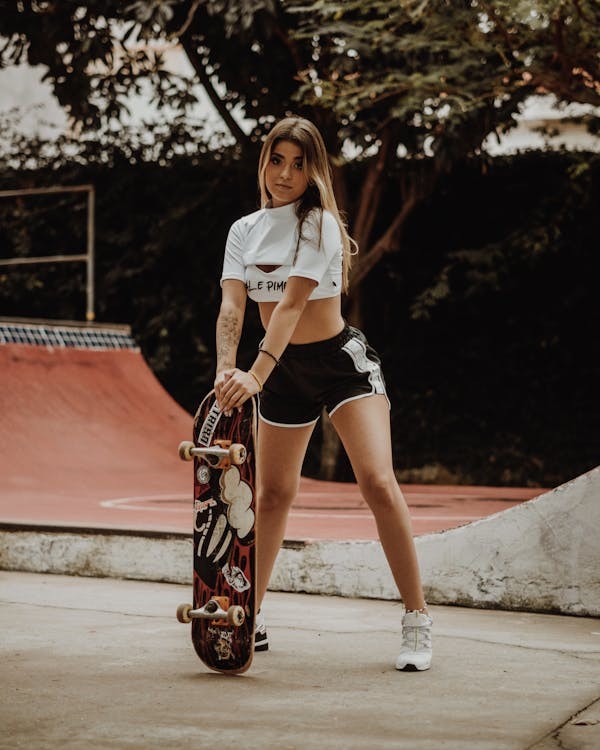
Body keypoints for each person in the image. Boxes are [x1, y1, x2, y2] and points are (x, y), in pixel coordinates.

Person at [214, 116, 432, 671]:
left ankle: (416, 620)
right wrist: (224, 373)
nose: (285, 173)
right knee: (273, 495)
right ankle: (251, 613)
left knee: (378, 483)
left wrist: (255, 374)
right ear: (263, 161)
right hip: (280, 370)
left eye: (298, 163)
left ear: (314, 171)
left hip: (339, 366)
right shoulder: (244, 230)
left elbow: (289, 307)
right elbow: (234, 306)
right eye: (276, 159)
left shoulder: (321, 225)